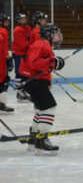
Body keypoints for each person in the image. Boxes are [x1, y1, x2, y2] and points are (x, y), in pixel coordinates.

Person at [19, 24, 64, 154]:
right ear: (48, 35)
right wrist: (53, 63)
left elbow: (44, 64)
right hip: (34, 82)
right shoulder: (42, 44)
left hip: (36, 81)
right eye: (55, 34)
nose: (57, 37)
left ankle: (34, 137)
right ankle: (41, 140)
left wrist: (48, 78)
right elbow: (34, 63)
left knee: (41, 109)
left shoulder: (42, 45)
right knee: (49, 107)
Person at [12, 13, 31, 102]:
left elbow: (30, 39)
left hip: (25, 53)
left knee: (24, 72)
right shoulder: (17, 30)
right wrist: (32, 47)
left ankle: (22, 91)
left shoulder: (27, 28)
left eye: (24, 19)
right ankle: (20, 92)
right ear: (18, 21)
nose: (24, 20)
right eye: (22, 19)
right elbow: (23, 44)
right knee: (19, 72)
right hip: (19, 54)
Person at [0, 14, 14, 113]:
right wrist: (6, 56)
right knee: (4, 82)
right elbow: (3, 47)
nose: (8, 23)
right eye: (6, 21)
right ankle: (2, 104)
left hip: (2, 60)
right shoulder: (3, 31)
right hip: (1, 61)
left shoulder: (3, 31)